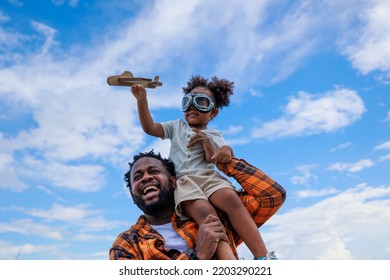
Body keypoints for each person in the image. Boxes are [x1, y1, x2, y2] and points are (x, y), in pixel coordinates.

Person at [129, 75, 275, 259]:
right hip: (184, 182)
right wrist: (142, 100)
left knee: (231, 198)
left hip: (208, 178)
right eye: (187, 102)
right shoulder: (176, 127)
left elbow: (216, 157)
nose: (192, 107)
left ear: (213, 113)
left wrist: (221, 148)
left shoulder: (214, 134)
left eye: (201, 102)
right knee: (206, 214)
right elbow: (150, 128)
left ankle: (263, 256)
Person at [109, 150, 286, 260]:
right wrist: (197, 255)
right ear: (133, 195)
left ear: (173, 182)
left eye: (154, 171)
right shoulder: (126, 245)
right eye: (137, 177)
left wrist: (224, 161)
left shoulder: (214, 217)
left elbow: (271, 196)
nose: (146, 177)